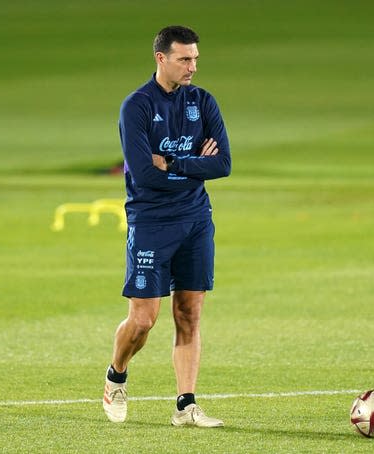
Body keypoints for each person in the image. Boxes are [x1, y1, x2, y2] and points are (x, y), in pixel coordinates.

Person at [103, 25, 231, 427]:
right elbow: (143, 173)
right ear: (161, 58)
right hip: (151, 221)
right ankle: (116, 376)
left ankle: (186, 405)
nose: (192, 66)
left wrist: (175, 162)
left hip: (195, 220)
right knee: (143, 321)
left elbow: (223, 164)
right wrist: (197, 164)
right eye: (184, 59)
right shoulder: (137, 106)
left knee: (189, 315)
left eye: (195, 58)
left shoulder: (203, 102)